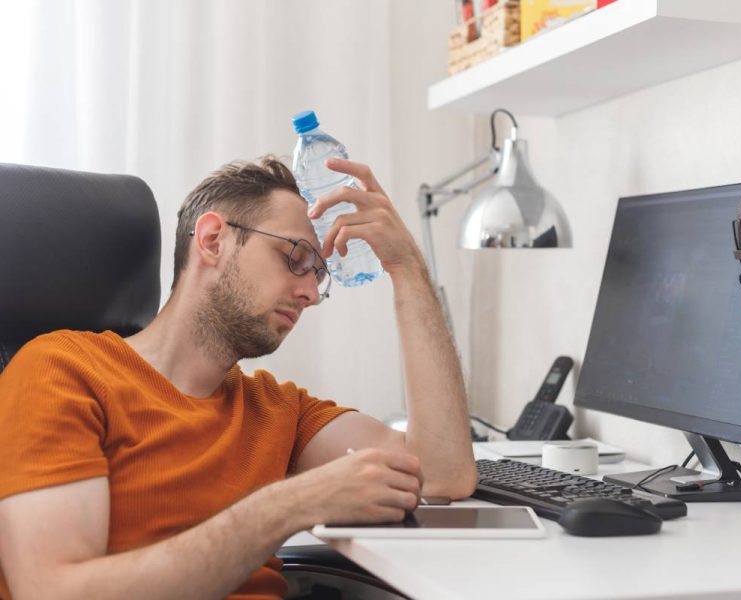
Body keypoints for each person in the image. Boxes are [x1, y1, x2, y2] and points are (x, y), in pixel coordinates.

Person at [0, 156, 476, 599]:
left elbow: (443, 473)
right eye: (296, 257)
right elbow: (52, 591)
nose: (311, 293)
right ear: (212, 240)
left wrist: (407, 268)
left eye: (319, 274)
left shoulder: (277, 409)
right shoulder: (63, 371)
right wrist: (289, 504)